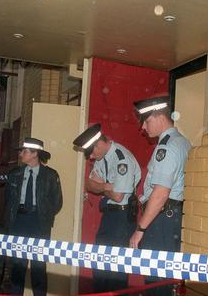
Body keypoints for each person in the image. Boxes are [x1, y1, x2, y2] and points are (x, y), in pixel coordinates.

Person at [128, 96, 191, 296]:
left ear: (158, 116)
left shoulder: (166, 147)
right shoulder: (182, 142)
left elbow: (161, 193)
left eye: (146, 121)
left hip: (161, 220)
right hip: (171, 219)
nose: (143, 128)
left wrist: (140, 229)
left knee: (156, 282)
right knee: (166, 279)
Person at [72, 123, 141, 293]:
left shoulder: (121, 158)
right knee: (100, 265)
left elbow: (118, 196)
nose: (91, 158)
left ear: (99, 144)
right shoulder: (102, 158)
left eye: (92, 152)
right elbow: (89, 184)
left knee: (115, 272)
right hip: (109, 217)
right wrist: (106, 186)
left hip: (122, 219)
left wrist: (102, 185)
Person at [4, 137, 63, 296]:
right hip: (19, 222)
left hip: (39, 223)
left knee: (38, 266)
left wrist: (43, 214)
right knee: (18, 265)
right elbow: (8, 199)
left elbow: (57, 202)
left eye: (24, 151)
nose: (21, 154)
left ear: (35, 154)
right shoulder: (14, 174)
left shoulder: (50, 175)